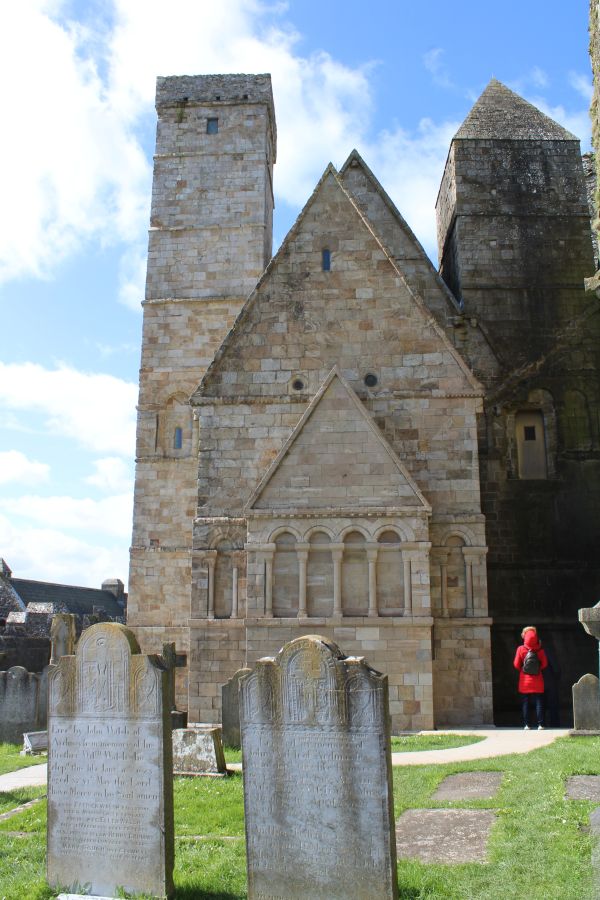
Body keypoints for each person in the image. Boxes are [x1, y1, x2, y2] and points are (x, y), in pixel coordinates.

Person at [513, 626, 548, 730]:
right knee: (539, 702)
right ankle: (540, 724)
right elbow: (545, 664)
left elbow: (515, 664)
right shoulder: (540, 650)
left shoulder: (520, 649)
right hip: (538, 680)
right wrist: (538, 669)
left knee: (525, 702)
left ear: (525, 637)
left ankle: (527, 724)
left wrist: (523, 670)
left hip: (525, 680)